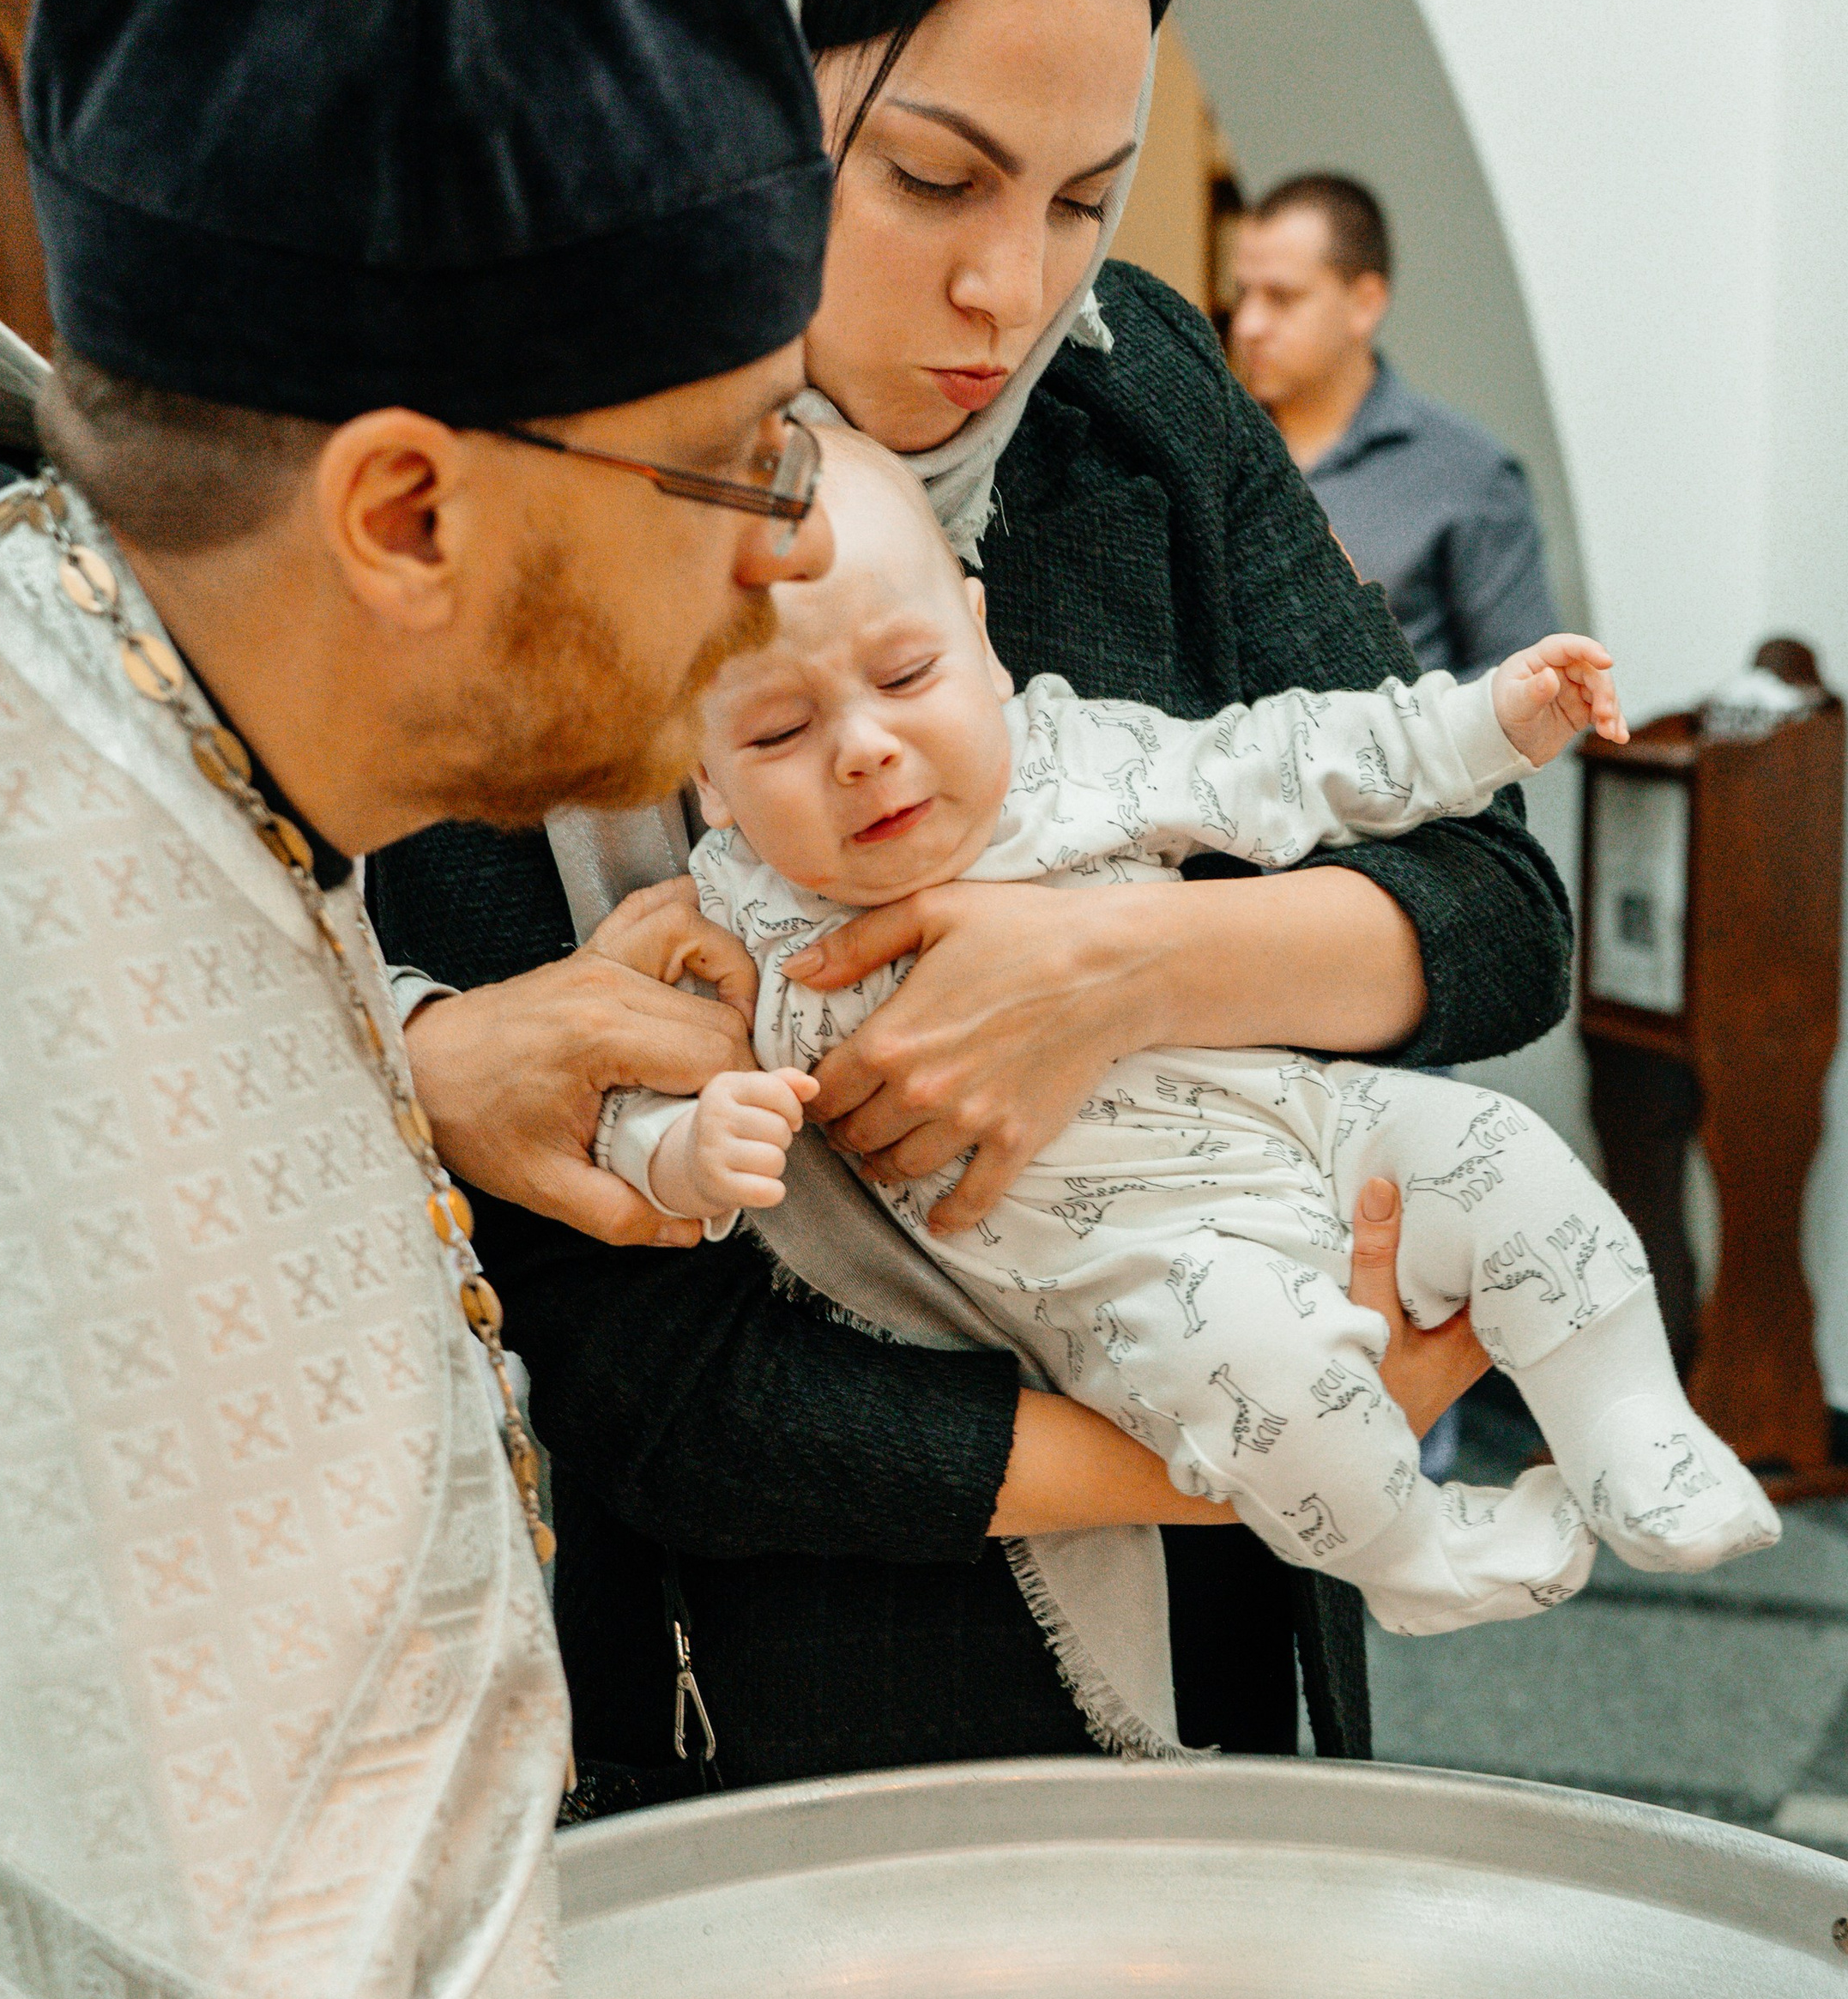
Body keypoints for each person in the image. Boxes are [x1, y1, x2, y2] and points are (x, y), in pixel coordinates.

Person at [0, 0, 842, 1999]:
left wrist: (414, 1073)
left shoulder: (83, 663)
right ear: (402, 505)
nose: (795, 554)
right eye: (737, 457)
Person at [367, 0, 1576, 1797]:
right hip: (794, 1671)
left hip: (1229, 1608)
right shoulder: (532, 528)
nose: (1004, 288)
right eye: (929, 177)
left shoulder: (1129, 396)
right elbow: (648, 1375)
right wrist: (1249, 1455)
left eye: (1083, 197)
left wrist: (1110, 971)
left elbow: (1490, 907)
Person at [596, 435, 1779, 1619]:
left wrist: (1480, 726)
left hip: (1312, 1123)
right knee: (1269, 1383)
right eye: (777, 733)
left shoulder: (1080, 756)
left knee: (1505, 1155)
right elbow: (630, 1099)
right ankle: (1416, 1558)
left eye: (906, 675)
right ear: (705, 773)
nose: (865, 749)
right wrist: (687, 1150)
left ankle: (1632, 1425)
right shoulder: (731, 921)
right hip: (1141, 1281)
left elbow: (1282, 760)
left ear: (981, 641)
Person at [1230, 173, 1561, 679]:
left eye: (1282, 297)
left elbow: (1526, 680)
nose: (1248, 325)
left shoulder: (1468, 473)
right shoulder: (1211, 449)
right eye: (1242, 294)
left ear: (1364, 304)